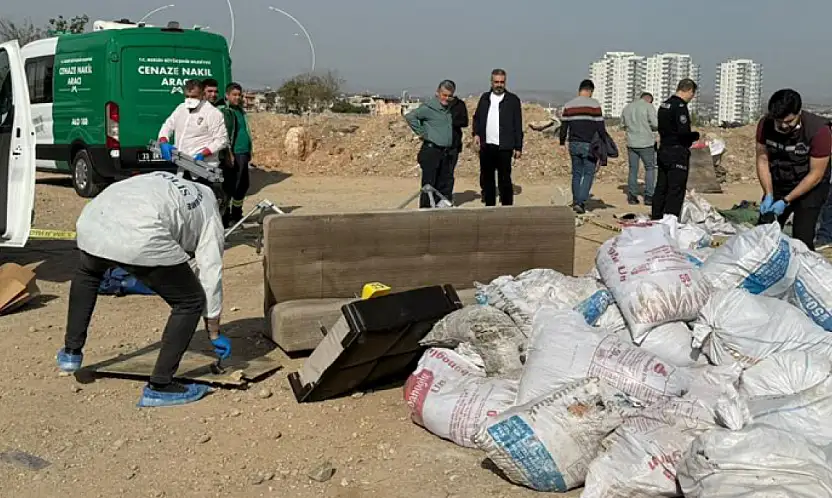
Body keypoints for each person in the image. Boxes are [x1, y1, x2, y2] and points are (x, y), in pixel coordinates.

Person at [56, 171, 229, 408]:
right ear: (221, 202)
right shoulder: (210, 209)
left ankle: (71, 352)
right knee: (189, 301)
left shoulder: (169, 180)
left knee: (88, 273)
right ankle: (161, 386)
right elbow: (210, 269)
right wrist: (214, 330)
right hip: (142, 232)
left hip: (94, 217)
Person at [757, 89, 831, 250]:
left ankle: (804, 271)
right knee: (764, 231)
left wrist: (786, 200)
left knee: (801, 239)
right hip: (781, 179)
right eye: (779, 122)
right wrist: (769, 194)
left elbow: (816, 174)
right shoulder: (766, 124)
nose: (783, 126)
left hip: (811, 186)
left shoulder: (819, 131)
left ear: (798, 113)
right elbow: (762, 160)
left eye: (788, 121)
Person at [472, 68, 523, 206]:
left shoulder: (512, 100)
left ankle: (506, 207)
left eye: (502, 82)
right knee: (487, 178)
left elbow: (517, 124)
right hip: (486, 146)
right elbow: (477, 118)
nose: (499, 85)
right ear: (491, 82)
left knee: (505, 178)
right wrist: (476, 133)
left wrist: (518, 146)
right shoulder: (484, 98)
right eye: (496, 82)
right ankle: (489, 206)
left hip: (505, 146)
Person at [651, 79, 700, 220]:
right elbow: (683, 134)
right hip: (677, 152)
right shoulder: (680, 107)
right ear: (689, 90)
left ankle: (656, 217)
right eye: (693, 94)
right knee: (676, 189)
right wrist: (695, 136)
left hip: (664, 150)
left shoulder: (664, 105)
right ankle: (670, 220)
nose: (692, 97)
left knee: (661, 186)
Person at [404, 80, 455, 208]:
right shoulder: (428, 108)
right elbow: (410, 117)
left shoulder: (447, 109)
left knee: (443, 184)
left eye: (450, 95)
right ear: (437, 93)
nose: (447, 98)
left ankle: (439, 213)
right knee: (429, 185)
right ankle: (425, 212)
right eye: (444, 95)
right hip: (431, 151)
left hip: (445, 152)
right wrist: (421, 133)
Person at [157, 79, 229, 169]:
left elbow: (221, 140)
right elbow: (168, 125)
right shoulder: (181, 108)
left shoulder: (212, 113)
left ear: (202, 94)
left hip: (203, 168)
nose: (190, 100)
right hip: (182, 164)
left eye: (194, 96)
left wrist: (204, 153)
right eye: (187, 96)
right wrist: (163, 140)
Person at [559, 79, 605, 214]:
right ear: (590, 91)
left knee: (577, 174)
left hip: (573, 144)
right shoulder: (595, 105)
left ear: (579, 90)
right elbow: (600, 127)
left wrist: (562, 142)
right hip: (590, 145)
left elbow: (564, 127)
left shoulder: (568, 105)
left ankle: (576, 200)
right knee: (589, 173)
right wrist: (603, 143)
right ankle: (581, 202)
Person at [215, 82, 253, 226]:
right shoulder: (224, 111)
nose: (238, 98)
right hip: (233, 154)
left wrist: (249, 150)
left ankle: (237, 213)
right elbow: (224, 134)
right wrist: (228, 153)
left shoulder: (240, 111)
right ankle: (225, 216)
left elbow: (246, 131)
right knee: (231, 186)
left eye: (239, 95)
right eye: (234, 95)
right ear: (227, 95)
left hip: (243, 152)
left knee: (243, 184)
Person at [621, 92, 659, 205]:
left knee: (633, 169)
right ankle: (649, 196)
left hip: (632, 143)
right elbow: (655, 124)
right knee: (650, 168)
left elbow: (623, 124)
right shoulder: (648, 107)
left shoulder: (627, 107)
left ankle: (632, 196)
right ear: (649, 99)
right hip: (646, 143)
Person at [447, 85, 469, 200]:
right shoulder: (437, 104)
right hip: (437, 145)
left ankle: (447, 197)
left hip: (453, 144)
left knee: (449, 173)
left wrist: (449, 121)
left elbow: (465, 122)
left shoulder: (459, 105)